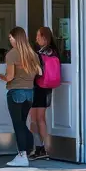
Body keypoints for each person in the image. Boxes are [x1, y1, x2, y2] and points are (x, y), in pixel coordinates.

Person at [0, 26, 41, 168]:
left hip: (16, 92)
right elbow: (38, 72)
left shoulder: (11, 54)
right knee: (22, 123)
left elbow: (10, 76)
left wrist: (3, 77)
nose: (9, 40)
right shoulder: (33, 54)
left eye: (10, 37)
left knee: (18, 124)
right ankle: (28, 147)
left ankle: (22, 155)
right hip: (29, 92)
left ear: (16, 38)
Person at [29, 26, 59, 161]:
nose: (36, 39)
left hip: (37, 87)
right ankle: (46, 148)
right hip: (47, 88)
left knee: (34, 119)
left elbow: (37, 72)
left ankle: (39, 148)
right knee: (41, 118)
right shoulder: (54, 51)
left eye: (38, 36)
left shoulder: (40, 54)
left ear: (44, 37)